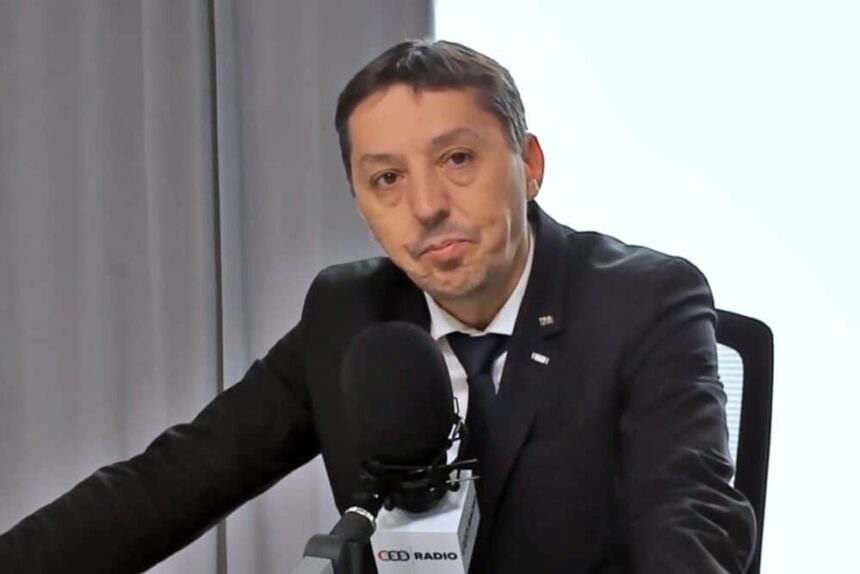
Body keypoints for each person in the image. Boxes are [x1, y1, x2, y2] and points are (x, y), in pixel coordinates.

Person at [0, 39, 756, 573]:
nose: (425, 206)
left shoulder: (644, 300)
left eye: (456, 159)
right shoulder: (350, 313)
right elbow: (170, 483)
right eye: (387, 179)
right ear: (362, 207)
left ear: (528, 165)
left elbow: (689, 523)